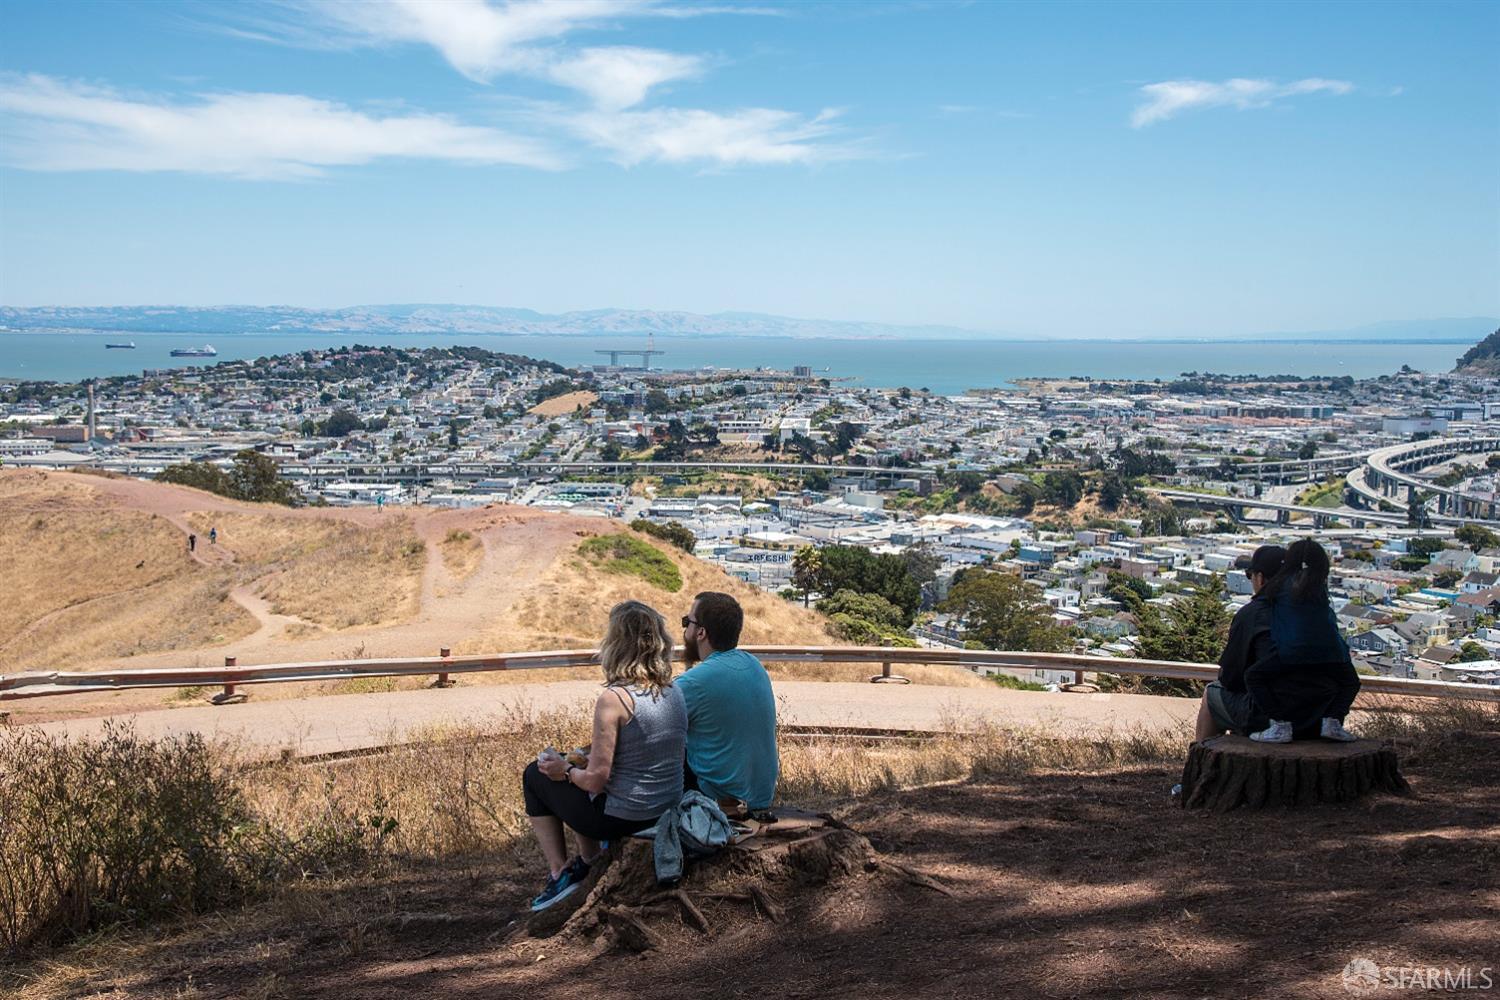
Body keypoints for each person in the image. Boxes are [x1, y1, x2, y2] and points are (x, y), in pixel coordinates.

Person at [521, 601, 686, 912]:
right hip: (665, 808)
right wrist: (582, 757)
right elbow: (642, 745)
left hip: (624, 817)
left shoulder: (614, 699)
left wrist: (565, 770)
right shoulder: (673, 692)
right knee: (579, 776)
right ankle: (587, 861)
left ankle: (562, 872)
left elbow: (597, 779)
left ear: (615, 644)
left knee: (535, 774)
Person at [1243, 538, 1360, 744]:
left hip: (1292, 650)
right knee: (1350, 682)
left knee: (1253, 677)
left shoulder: (1280, 585)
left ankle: (1280, 724)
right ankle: (1333, 721)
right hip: (1331, 652)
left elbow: (1261, 600)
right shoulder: (1319, 587)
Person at [676, 591, 778, 811]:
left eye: (687, 622)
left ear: (701, 632)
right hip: (761, 797)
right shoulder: (753, 664)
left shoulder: (692, 683)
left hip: (720, 801)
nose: (685, 630)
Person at [1197, 545, 1283, 742]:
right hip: (1317, 712)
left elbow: (1230, 676)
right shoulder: (1312, 612)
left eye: (1249, 575)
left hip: (1269, 713)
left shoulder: (1252, 614)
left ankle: (1203, 757)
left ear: (1260, 578)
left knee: (1212, 694)